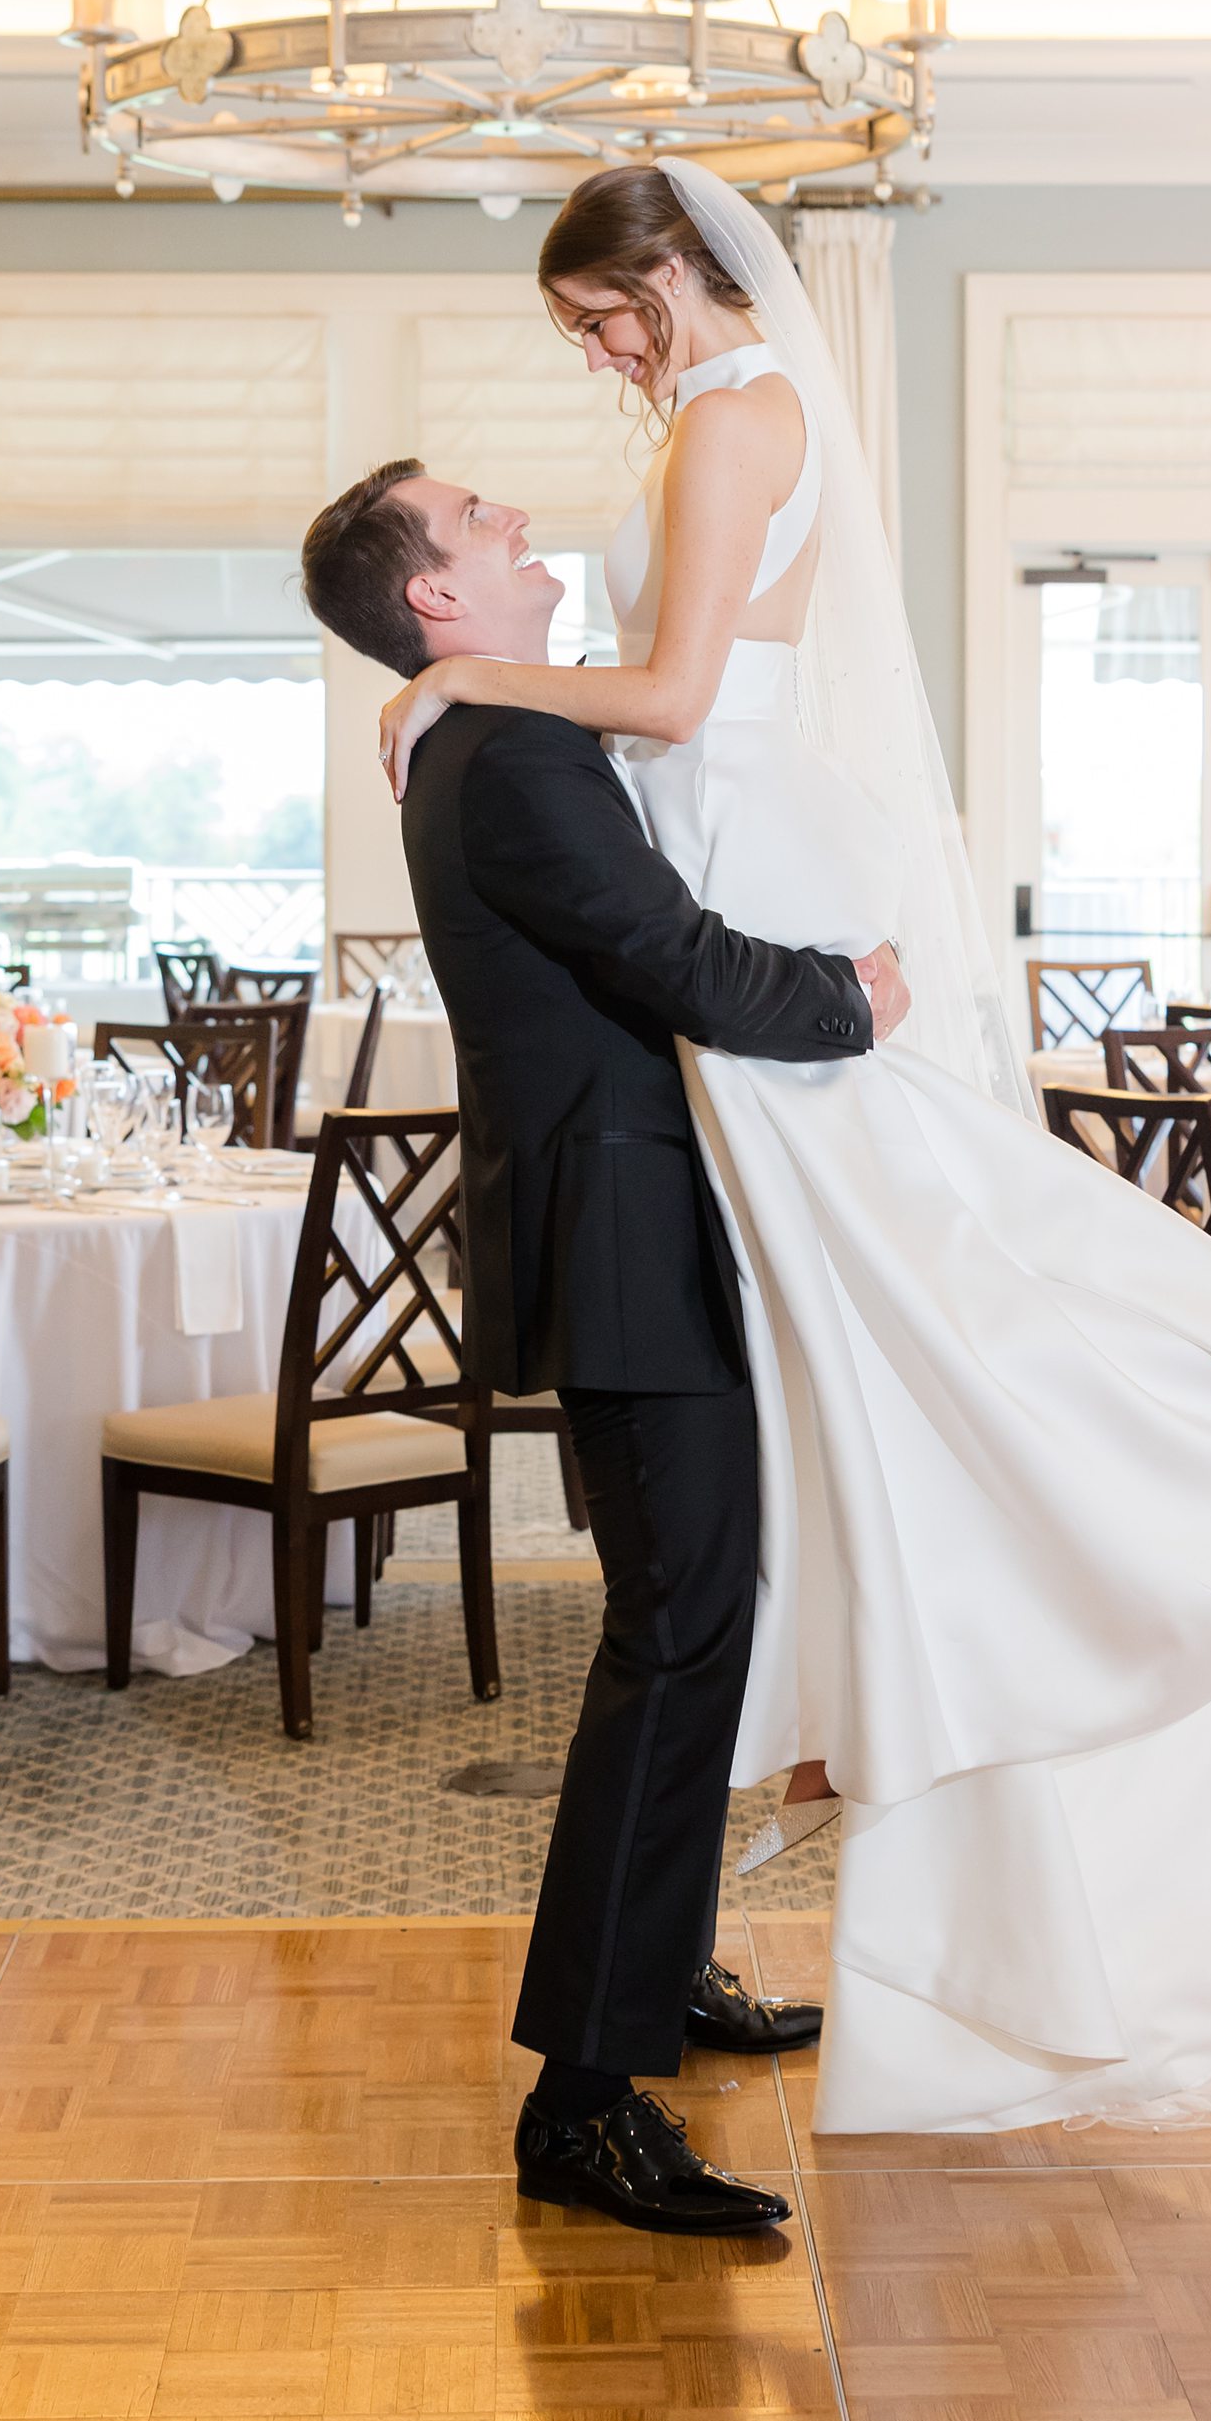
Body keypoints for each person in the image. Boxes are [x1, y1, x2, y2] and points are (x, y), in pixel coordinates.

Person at [363, 156, 1211, 2143]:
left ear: (674, 271)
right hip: (726, 917)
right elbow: (674, 739)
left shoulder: (720, 434)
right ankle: (687, 1962)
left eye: (601, 314)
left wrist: (460, 677)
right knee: (848, 1417)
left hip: (745, 887)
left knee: (924, 1349)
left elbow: (677, 698)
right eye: (578, 332)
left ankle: (1188, 1541)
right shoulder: (701, 462)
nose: (591, 359)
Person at [301, 458, 911, 2237]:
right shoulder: (514, 758)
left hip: (627, 1229)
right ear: (433, 595)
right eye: (477, 518)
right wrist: (849, 1000)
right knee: (675, 1629)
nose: (512, 520)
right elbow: (677, 961)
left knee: (693, 1617)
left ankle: (662, 1974)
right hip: (626, 1241)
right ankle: (584, 2095)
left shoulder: (487, 732)